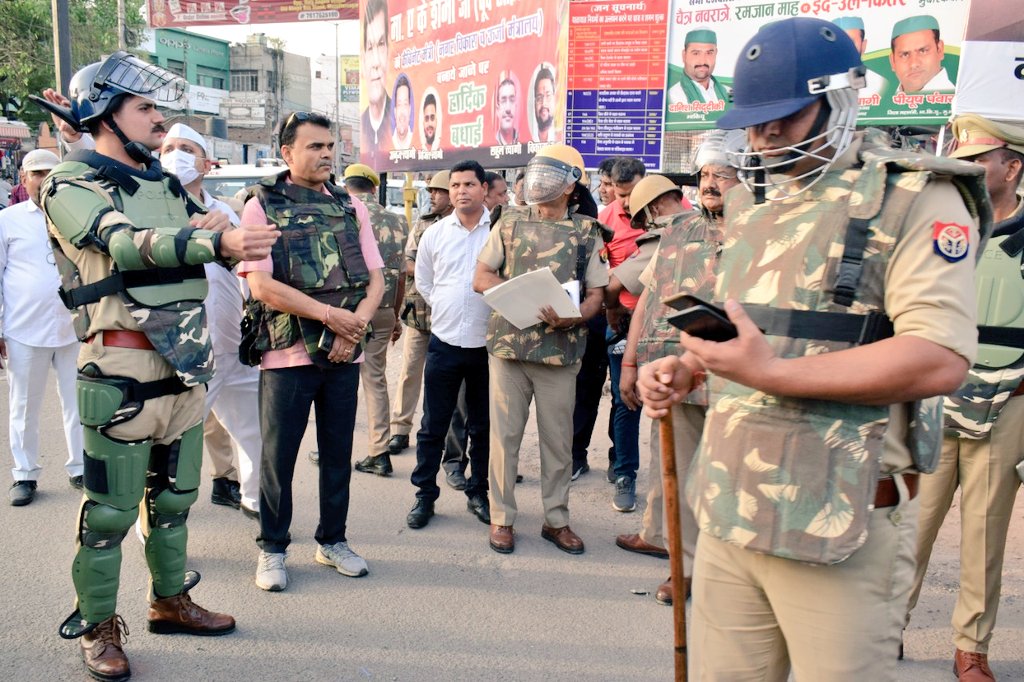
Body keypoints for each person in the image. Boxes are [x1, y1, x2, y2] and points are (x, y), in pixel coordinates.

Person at [637, 18, 989, 680]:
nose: (765, 136)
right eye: (755, 122)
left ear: (841, 99)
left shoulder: (912, 195)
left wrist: (772, 373)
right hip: (729, 512)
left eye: (784, 118)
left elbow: (938, 357)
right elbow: (748, 332)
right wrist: (685, 368)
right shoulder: (754, 207)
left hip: (841, 526)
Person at [41, 52, 276, 680]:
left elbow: (191, 253)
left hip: (187, 358)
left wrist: (222, 236)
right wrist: (214, 241)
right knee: (112, 511)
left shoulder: (165, 185)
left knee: (175, 500)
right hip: (121, 362)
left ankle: (170, 601)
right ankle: (96, 627)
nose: (158, 118)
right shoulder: (68, 183)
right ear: (103, 114)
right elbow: (122, 243)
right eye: (145, 107)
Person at [239, 111, 384, 592]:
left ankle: (332, 540)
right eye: (314, 147)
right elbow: (261, 285)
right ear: (287, 153)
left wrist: (353, 328)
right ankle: (273, 549)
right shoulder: (261, 205)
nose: (325, 155)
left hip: (345, 353)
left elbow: (377, 277)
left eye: (329, 147)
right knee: (278, 458)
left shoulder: (349, 206)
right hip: (288, 355)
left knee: (339, 453)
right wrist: (330, 318)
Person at [905, 114, 1024, 682]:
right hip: (937, 395)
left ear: (1012, 167)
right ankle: (885, 627)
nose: (969, 167)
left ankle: (971, 647)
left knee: (984, 529)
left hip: (1009, 402)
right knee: (912, 523)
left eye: (980, 160)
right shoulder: (945, 225)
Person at [615, 130, 743, 607]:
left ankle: (727, 574)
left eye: (722, 175)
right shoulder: (678, 230)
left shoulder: (763, 230)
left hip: (740, 379)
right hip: (679, 376)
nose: (711, 184)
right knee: (680, 475)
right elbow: (648, 297)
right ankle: (683, 570)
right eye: (706, 175)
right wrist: (630, 362)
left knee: (731, 482)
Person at [474, 144, 609, 555]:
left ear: (572, 185)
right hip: (509, 349)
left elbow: (597, 295)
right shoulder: (509, 222)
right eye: (539, 171)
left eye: (552, 173)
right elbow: (481, 275)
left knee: (557, 441)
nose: (540, 180)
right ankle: (502, 519)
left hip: (560, 351)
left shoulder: (588, 231)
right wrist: (512, 294)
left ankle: (557, 520)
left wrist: (576, 317)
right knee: (505, 439)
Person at [159, 122, 263, 520]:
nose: (176, 154)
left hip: (234, 343)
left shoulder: (223, 211)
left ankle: (255, 501)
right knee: (173, 441)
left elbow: (247, 267)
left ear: (205, 162)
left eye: (186, 148)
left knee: (252, 431)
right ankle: (159, 520)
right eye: (169, 147)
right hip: (181, 350)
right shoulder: (152, 208)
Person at [406, 161, 493, 530]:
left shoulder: (501, 231)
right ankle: (425, 495)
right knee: (432, 426)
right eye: (455, 185)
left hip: (487, 347)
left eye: (469, 184)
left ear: (484, 189)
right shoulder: (436, 234)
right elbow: (425, 283)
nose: (461, 191)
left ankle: (479, 491)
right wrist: (447, 307)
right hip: (444, 342)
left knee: (483, 427)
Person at [1, 149, 83, 506]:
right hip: (24, 327)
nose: (45, 179)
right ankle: (24, 474)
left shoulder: (75, 217)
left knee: (79, 403)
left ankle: (80, 467)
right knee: (24, 404)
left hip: (74, 327)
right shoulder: (9, 220)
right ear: (24, 179)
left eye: (52, 173)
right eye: (38, 173)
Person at [342, 163, 409, 477]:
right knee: (375, 380)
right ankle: (379, 452)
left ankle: (335, 448)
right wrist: (395, 316)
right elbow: (402, 274)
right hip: (383, 309)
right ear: (373, 187)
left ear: (347, 186)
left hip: (347, 312)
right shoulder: (397, 220)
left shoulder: (342, 212)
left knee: (338, 383)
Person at [388, 170, 452, 454]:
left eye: (438, 191)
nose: (432, 196)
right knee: (409, 372)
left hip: (450, 317)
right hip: (420, 313)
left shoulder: (468, 224)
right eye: (431, 191)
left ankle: (450, 436)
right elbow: (407, 263)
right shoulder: (423, 225)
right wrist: (435, 272)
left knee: (449, 379)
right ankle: (400, 430)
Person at [601, 156, 648, 509]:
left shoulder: (674, 211)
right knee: (625, 397)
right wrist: (611, 308)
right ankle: (624, 473)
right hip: (620, 318)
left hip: (662, 318)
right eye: (621, 195)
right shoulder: (604, 219)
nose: (627, 203)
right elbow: (599, 273)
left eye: (632, 194)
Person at [360, 0, 393, 164]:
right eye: (370, 47)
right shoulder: (363, 124)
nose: (376, 62)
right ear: (363, 57)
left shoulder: (399, 118)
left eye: (381, 45)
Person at [889, 15, 954, 94]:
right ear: (893, 61)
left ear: (940, 50)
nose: (914, 64)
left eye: (923, 51)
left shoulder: (959, 103)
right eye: (905, 55)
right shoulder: (881, 103)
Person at [668, 29, 729, 105]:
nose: (702, 61)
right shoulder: (673, 96)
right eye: (696, 53)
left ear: (715, 54)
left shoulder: (728, 93)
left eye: (709, 53)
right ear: (684, 55)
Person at [832, 16, 886, 98]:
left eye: (851, 42)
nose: (844, 48)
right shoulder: (818, 83)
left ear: (863, 46)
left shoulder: (879, 84)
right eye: (838, 42)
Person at [532, 64, 557, 142]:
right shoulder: (527, 140)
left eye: (548, 96)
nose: (543, 104)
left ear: (555, 99)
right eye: (539, 98)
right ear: (534, 103)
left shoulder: (561, 138)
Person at [494, 73, 520, 146]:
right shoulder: (490, 146)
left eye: (512, 100)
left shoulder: (524, 143)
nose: (508, 108)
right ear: (497, 110)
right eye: (503, 101)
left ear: (516, 107)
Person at [392, 75, 413, 150]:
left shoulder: (416, 141)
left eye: (405, 104)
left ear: (410, 110)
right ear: (395, 112)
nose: (402, 111)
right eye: (399, 104)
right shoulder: (388, 144)